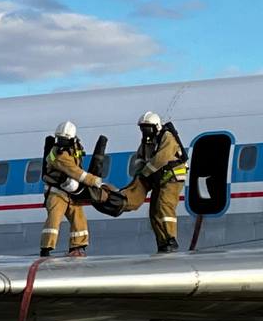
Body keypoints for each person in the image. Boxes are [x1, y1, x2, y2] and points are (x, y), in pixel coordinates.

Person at [121, 111, 188, 252]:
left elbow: (162, 158)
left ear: (156, 126)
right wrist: (138, 171)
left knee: (164, 205)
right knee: (154, 211)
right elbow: (140, 157)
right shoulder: (147, 141)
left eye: (147, 128)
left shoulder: (167, 137)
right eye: (143, 128)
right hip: (160, 177)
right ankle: (162, 242)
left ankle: (171, 238)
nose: (145, 131)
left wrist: (145, 172)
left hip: (174, 175)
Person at [40, 120, 105, 258]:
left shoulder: (75, 148)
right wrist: (93, 180)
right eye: (59, 139)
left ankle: (77, 247)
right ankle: (46, 249)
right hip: (57, 192)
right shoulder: (58, 154)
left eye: (64, 140)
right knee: (54, 220)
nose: (61, 142)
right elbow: (75, 171)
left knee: (79, 217)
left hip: (70, 191)